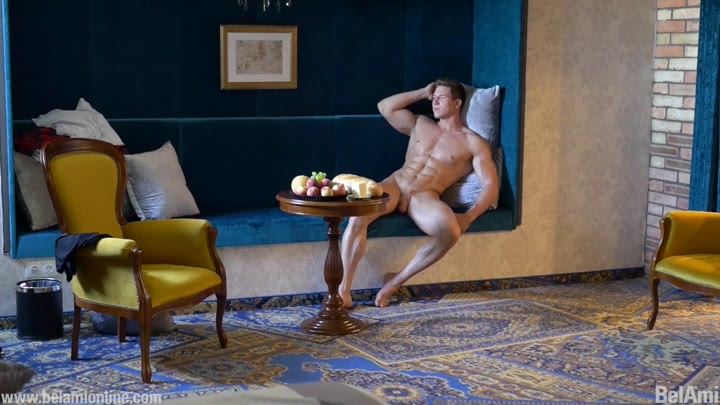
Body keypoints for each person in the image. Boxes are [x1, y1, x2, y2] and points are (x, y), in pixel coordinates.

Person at [339, 78, 500, 308]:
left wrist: (469, 217)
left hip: (425, 196)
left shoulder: (473, 143)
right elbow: (385, 107)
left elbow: (490, 185)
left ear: (457, 103)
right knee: (359, 214)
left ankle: (394, 283)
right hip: (396, 184)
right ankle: (344, 289)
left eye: (441, 98)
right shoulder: (420, 123)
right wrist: (424, 92)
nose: (435, 102)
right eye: (434, 98)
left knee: (451, 232)